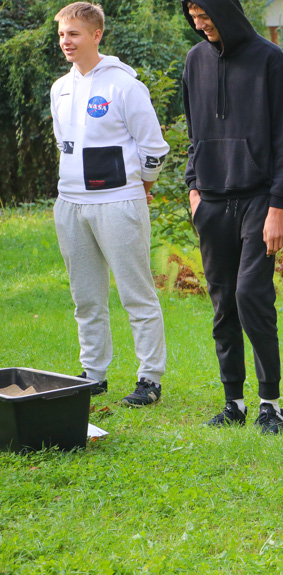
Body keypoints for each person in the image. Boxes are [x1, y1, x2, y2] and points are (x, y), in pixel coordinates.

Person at [181, 0, 283, 434]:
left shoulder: (269, 60)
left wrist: (277, 207)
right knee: (222, 305)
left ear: (225, 11)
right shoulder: (195, 61)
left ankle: (270, 404)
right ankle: (233, 402)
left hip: (258, 200)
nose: (200, 25)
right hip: (211, 203)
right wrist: (194, 190)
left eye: (206, 17)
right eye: (194, 19)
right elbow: (193, 133)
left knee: (251, 295)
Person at [50, 2, 169, 407]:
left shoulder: (125, 85)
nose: (66, 41)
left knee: (136, 295)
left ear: (96, 35)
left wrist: (144, 185)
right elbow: (64, 145)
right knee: (85, 296)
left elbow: (153, 146)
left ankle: (149, 378)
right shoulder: (60, 88)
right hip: (70, 204)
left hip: (118, 202)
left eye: (74, 34)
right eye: (63, 34)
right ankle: (93, 374)